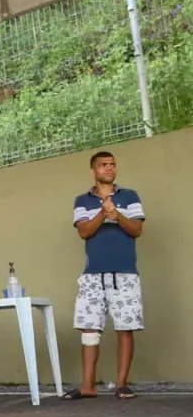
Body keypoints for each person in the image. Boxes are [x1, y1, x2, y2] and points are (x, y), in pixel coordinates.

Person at [63, 151, 145, 401]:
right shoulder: (82, 200)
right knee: (89, 328)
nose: (109, 168)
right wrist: (102, 212)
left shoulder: (130, 197)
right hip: (92, 276)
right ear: (93, 171)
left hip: (125, 273)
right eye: (103, 165)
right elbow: (84, 232)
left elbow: (137, 230)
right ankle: (88, 386)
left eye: (112, 164)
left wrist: (117, 215)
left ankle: (122, 384)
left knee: (126, 327)